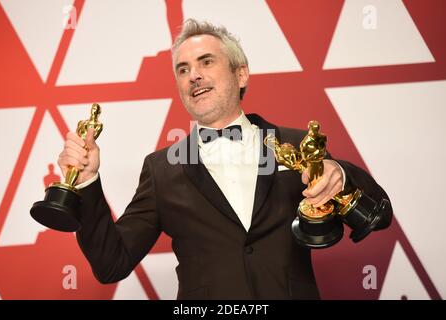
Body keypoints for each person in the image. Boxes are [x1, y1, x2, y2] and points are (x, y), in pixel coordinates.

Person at [57, 19, 392, 299]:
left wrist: (340, 174)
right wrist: (85, 181)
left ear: (241, 74)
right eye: (183, 69)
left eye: (206, 62)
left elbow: (381, 214)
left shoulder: (297, 144)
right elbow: (111, 263)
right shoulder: (162, 169)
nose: (194, 75)